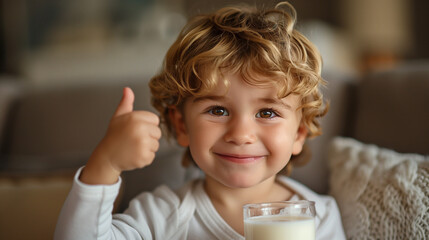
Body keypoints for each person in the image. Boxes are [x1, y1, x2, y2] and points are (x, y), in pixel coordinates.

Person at [54, 2, 346, 239]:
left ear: (298, 133)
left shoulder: (317, 218)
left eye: (267, 113)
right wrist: (105, 163)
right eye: (218, 111)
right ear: (182, 126)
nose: (241, 134)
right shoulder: (162, 216)